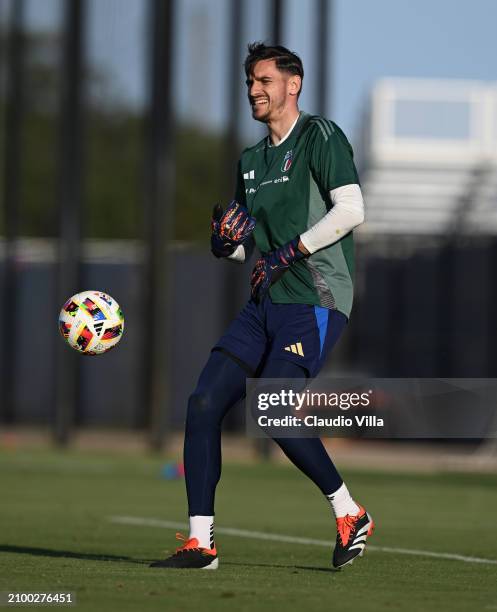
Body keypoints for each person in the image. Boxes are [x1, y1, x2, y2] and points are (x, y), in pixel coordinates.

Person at [150, 42, 372, 571]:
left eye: (264, 80)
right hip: (264, 302)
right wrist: (228, 247)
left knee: (271, 405)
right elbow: (251, 246)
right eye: (250, 81)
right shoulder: (250, 160)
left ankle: (349, 512)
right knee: (203, 403)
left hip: (314, 296)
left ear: (292, 85)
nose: (254, 89)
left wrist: (291, 251)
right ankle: (200, 543)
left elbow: (352, 209)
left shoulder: (320, 136)